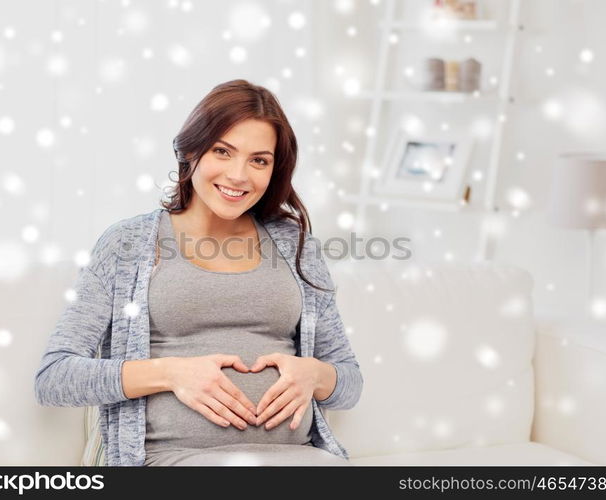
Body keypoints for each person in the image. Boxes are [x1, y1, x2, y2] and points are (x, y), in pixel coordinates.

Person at [34, 79, 363, 466]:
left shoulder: (294, 245)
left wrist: (314, 375)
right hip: (173, 458)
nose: (239, 175)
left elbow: (349, 382)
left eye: (259, 160)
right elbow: (54, 378)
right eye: (223, 151)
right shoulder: (129, 243)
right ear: (191, 150)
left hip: (297, 456)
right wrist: (171, 374)